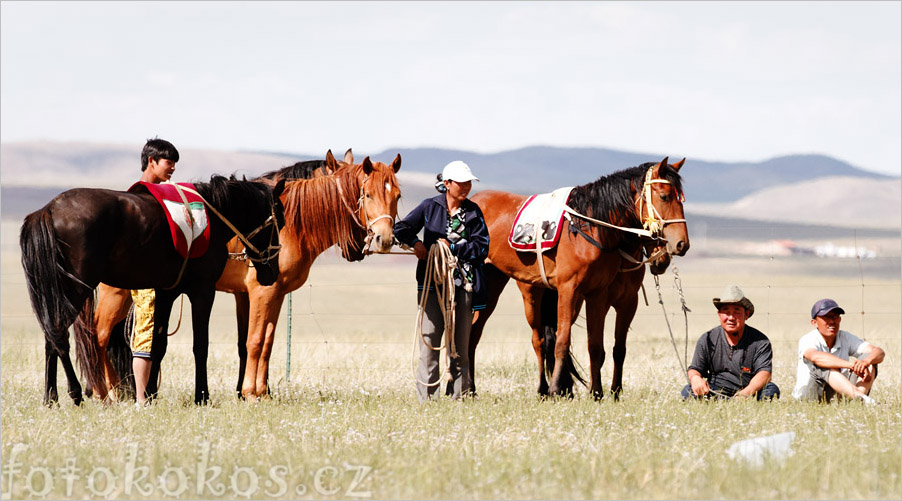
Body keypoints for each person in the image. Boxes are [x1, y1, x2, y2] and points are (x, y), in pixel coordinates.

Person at [394, 160, 489, 401]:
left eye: (469, 183)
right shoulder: (429, 207)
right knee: (429, 345)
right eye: (462, 183)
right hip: (432, 285)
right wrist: (416, 243)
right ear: (447, 184)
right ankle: (427, 401)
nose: (466, 187)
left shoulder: (474, 212)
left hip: (464, 285)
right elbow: (401, 228)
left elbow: (482, 247)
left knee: (460, 348)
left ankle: (460, 398)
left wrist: (454, 248)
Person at [131, 137, 179, 406]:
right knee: (145, 330)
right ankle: (141, 400)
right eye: (168, 163)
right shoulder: (141, 195)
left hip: (156, 273)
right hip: (144, 275)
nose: (172, 168)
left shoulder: (162, 194)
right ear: (152, 161)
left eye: (174, 163)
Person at [682, 285, 780, 400]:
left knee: (771, 390)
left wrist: (745, 393)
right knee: (688, 390)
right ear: (719, 315)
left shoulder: (760, 341)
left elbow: (765, 374)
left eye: (736, 312)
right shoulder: (707, 339)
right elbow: (695, 368)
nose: (731, 317)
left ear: (746, 315)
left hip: (748, 392)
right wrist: (695, 379)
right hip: (715, 391)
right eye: (726, 312)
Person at [792, 299, 884, 404]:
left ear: (840, 319)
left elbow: (879, 352)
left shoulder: (845, 337)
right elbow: (815, 357)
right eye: (826, 317)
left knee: (870, 358)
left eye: (835, 316)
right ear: (814, 323)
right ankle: (863, 399)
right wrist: (852, 365)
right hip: (809, 398)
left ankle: (857, 402)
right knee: (822, 364)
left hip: (837, 395)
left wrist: (865, 362)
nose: (832, 321)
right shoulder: (808, 339)